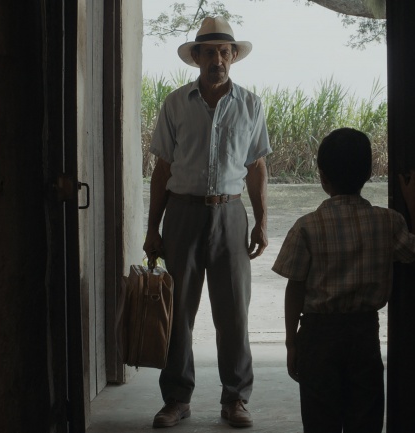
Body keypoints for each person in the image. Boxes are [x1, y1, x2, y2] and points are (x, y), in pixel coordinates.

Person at [143, 16, 271, 429]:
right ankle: (177, 399)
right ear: (196, 57)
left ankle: (235, 399)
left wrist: (262, 221)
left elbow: (256, 167)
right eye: (210, 52)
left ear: (233, 56)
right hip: (182, 213)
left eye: (224, 52)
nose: (218, 59)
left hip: (230, 214)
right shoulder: (175, 103)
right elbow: (163, 169)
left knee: (233, 312)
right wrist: (152, 228)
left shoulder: (250, 105)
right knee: (177, 310)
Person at [272, 128, 415, 432]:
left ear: (322, 177)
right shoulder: (388, 222)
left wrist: (291, 342)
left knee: (320, 420)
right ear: (368, 173)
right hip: (364, 334)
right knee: (365, 417)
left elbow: (295, 289)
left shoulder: (306, 227)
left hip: (318, 337)